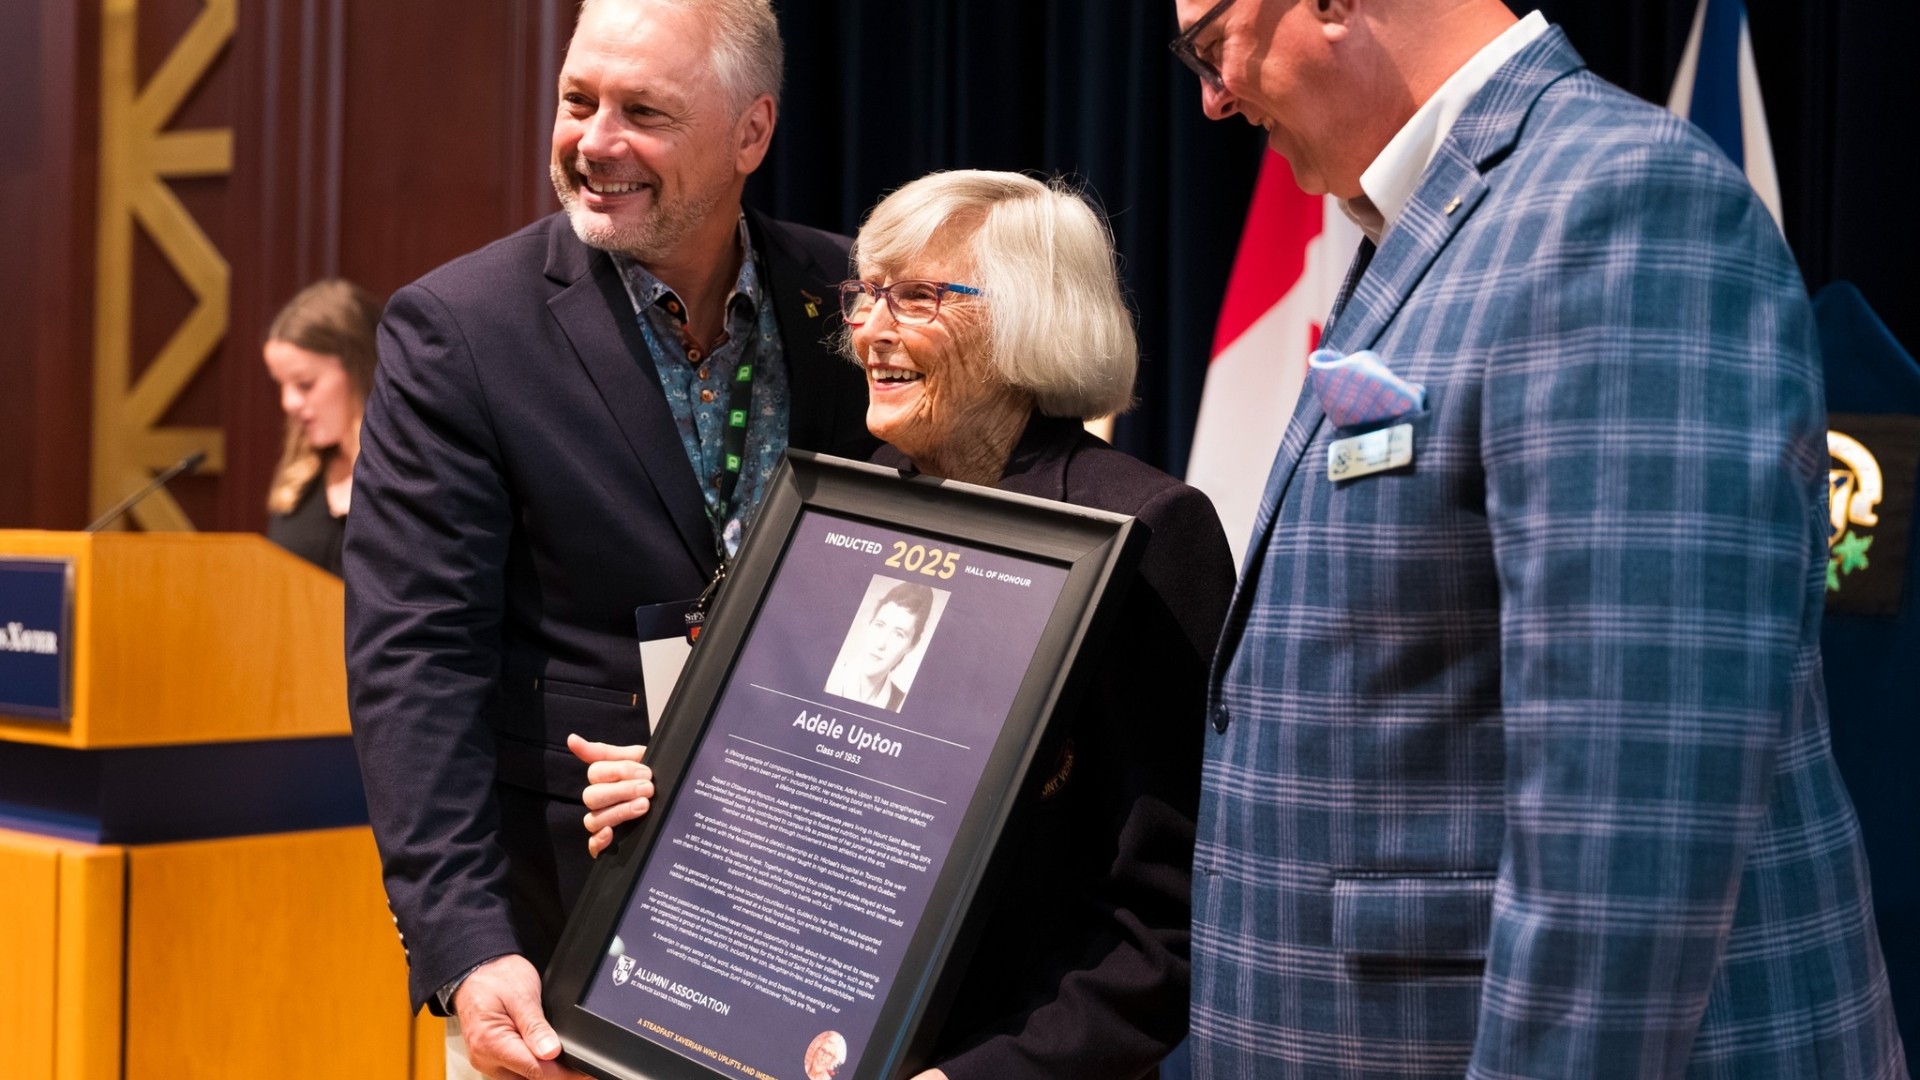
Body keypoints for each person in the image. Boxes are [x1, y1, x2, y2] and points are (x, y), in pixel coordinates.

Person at [1169, 1, 1908, 1077]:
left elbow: (1633, 820)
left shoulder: (1618, 206)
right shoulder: (1439, 218)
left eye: (1211, 41)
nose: (1213, 95)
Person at [574, 170, 1237, 1079]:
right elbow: (803, 795)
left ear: (1030, 320)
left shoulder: (1145, 532)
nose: (873, 330)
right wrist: (673, 796)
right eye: (867, 293)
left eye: (918, 297)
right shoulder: (841, 509)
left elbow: (1168, 920)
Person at [342, 0, 877, 1076]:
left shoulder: (852, 300)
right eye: (578, 101)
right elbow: (415, 662)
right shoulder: (460, 330)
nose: (594, 143)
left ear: (752, 133)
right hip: (564, 955)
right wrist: (465, 944)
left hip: (822, 933)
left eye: (644, 111)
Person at [261, 279, 380, 575]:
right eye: (281, 386)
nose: (288, 403)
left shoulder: (413, 479)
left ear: (359, 370)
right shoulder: (298, 482)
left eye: (305, 384)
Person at [823, 580, 935, 711]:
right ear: (869, 624)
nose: (881, 643)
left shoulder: (903, 706)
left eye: (898, 634)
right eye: (880, 625)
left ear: (912, 645)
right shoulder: (825, 676)